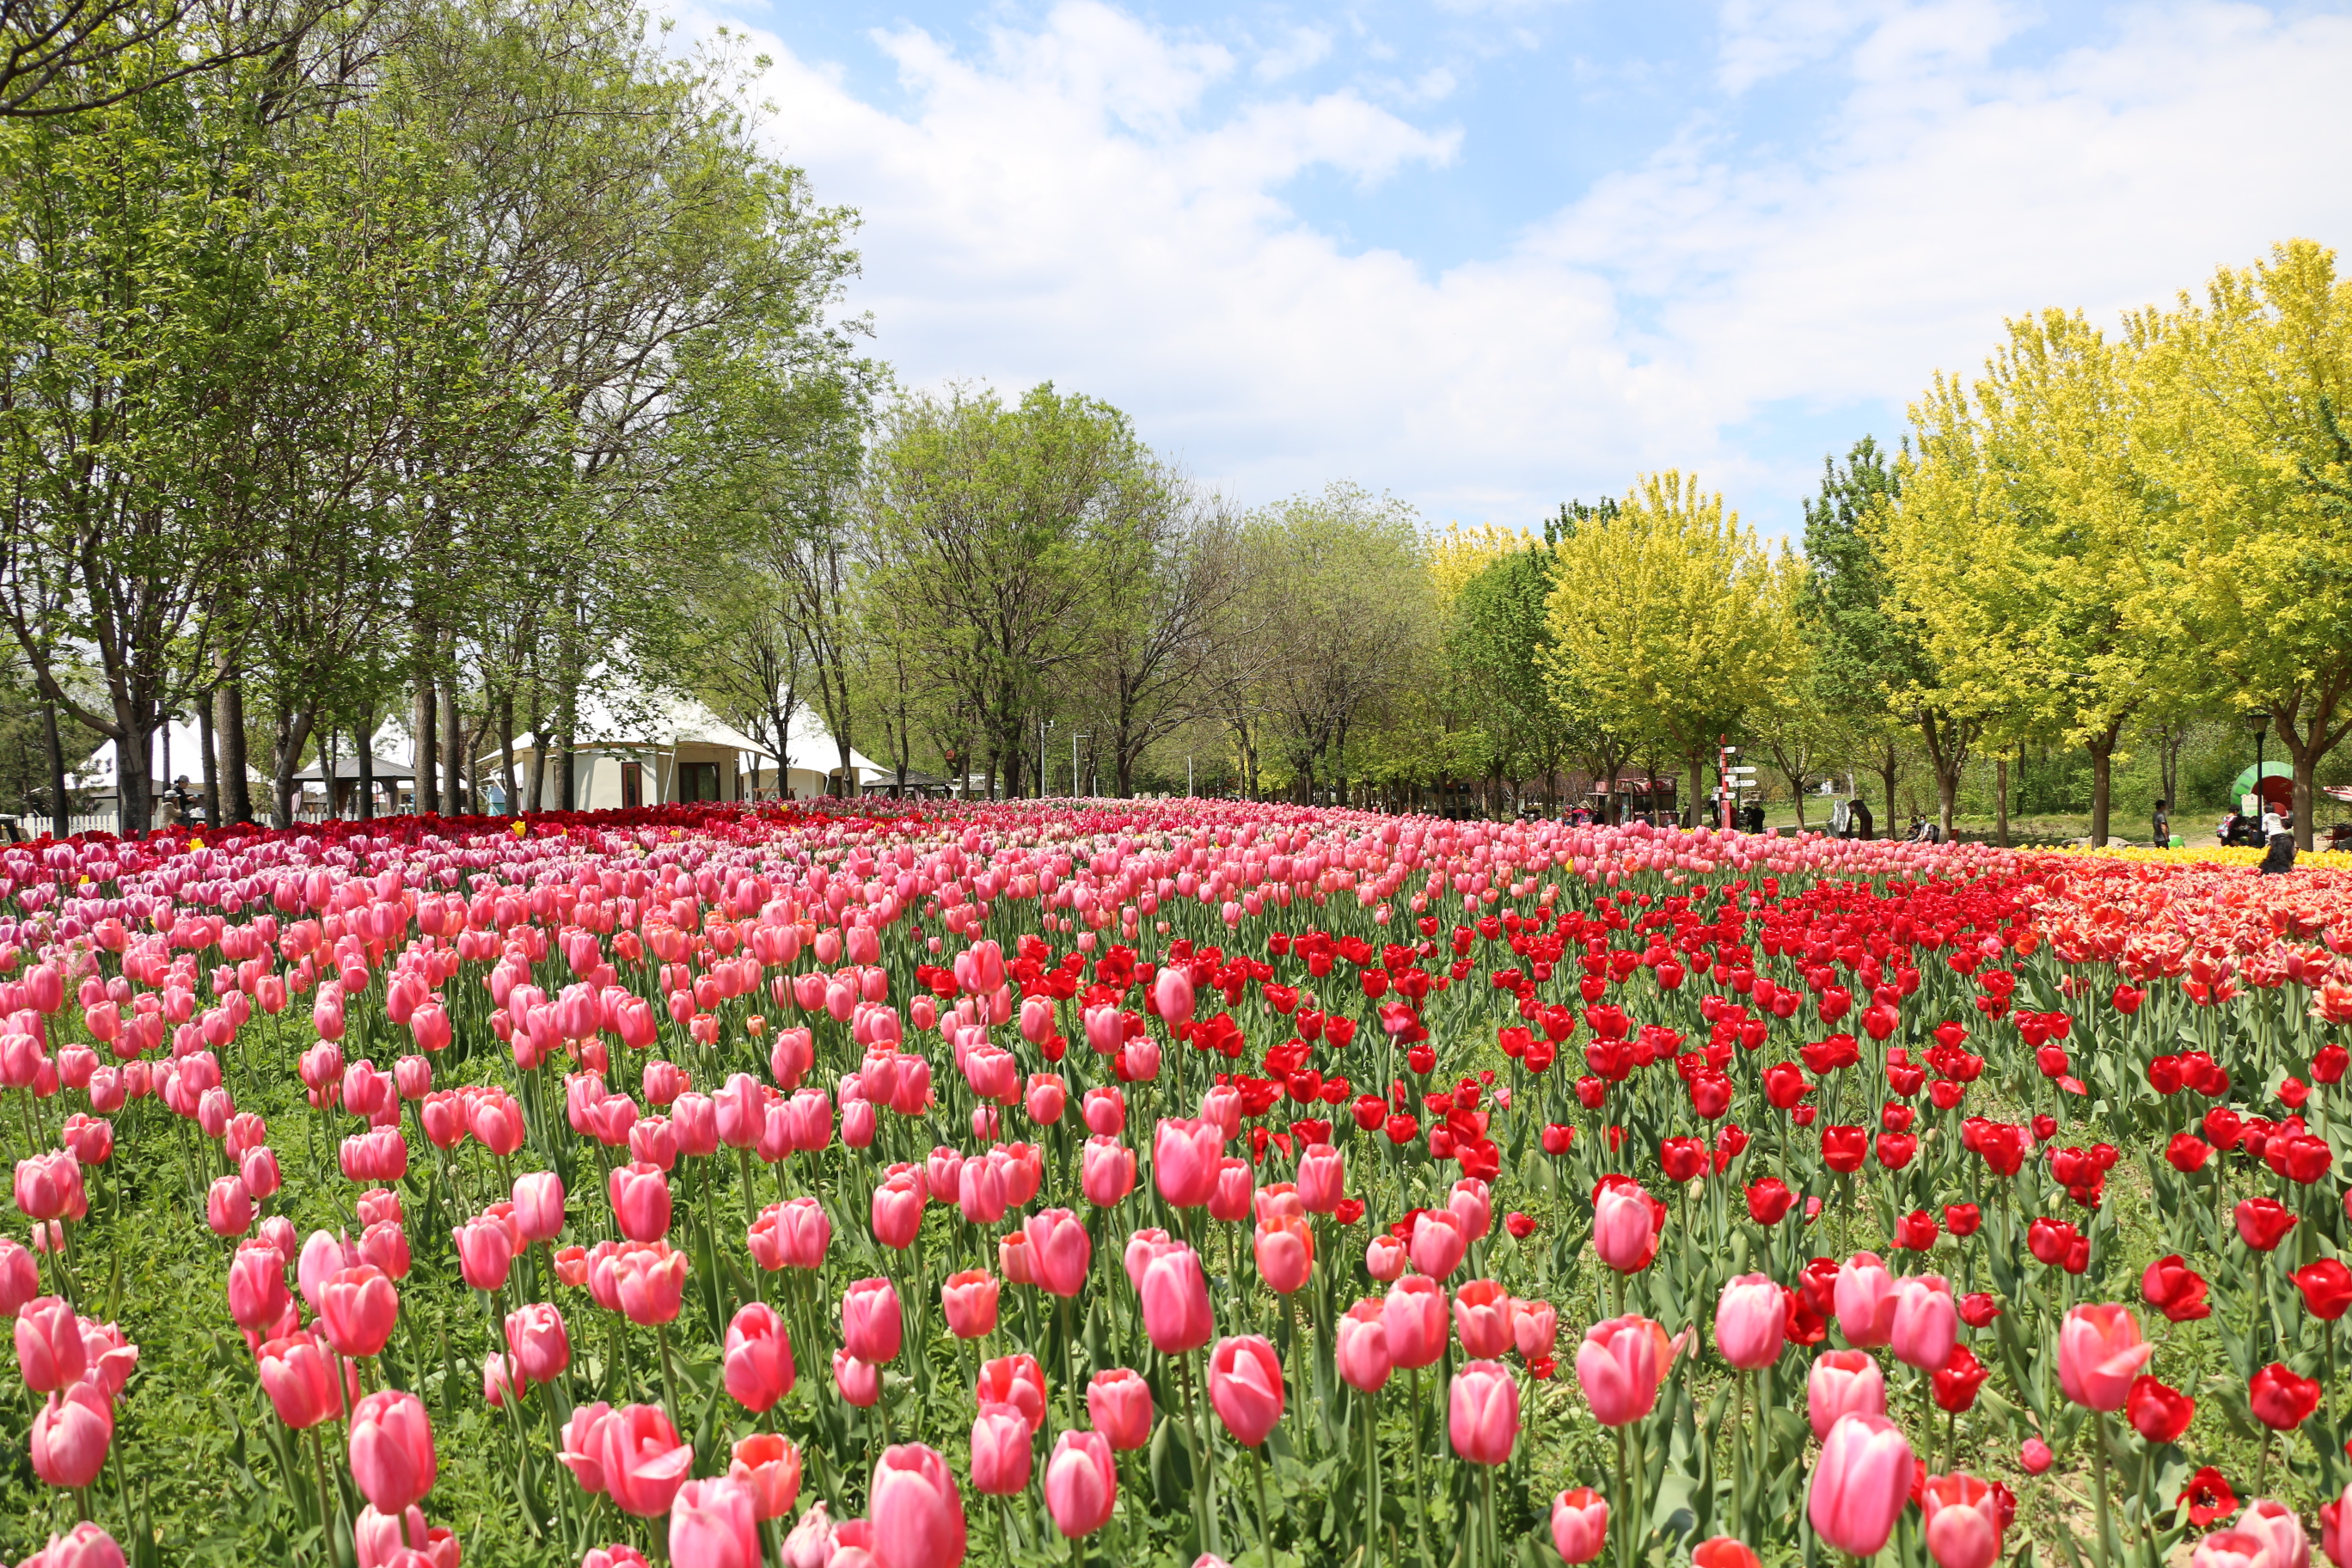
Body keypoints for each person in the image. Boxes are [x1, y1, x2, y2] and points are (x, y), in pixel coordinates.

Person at [2260, 807, 2297, 875]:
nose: (2296, 850)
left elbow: (2264, 829)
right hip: (2279, 833)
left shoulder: (2265, 872)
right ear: (2287, 850)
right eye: (2295, 847)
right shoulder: (2286, 874)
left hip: (2274, 836)